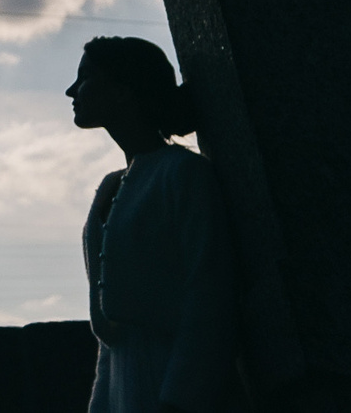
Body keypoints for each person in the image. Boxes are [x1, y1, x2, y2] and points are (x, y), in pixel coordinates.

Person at [68, 36, 240, 413]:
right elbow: (111, 343)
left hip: (171, 388)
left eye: (84, 78)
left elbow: (207, 296)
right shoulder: (110, 188)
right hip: (122, 392)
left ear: (122, 90)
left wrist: (179, 400)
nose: (71, 90)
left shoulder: (183, 173)